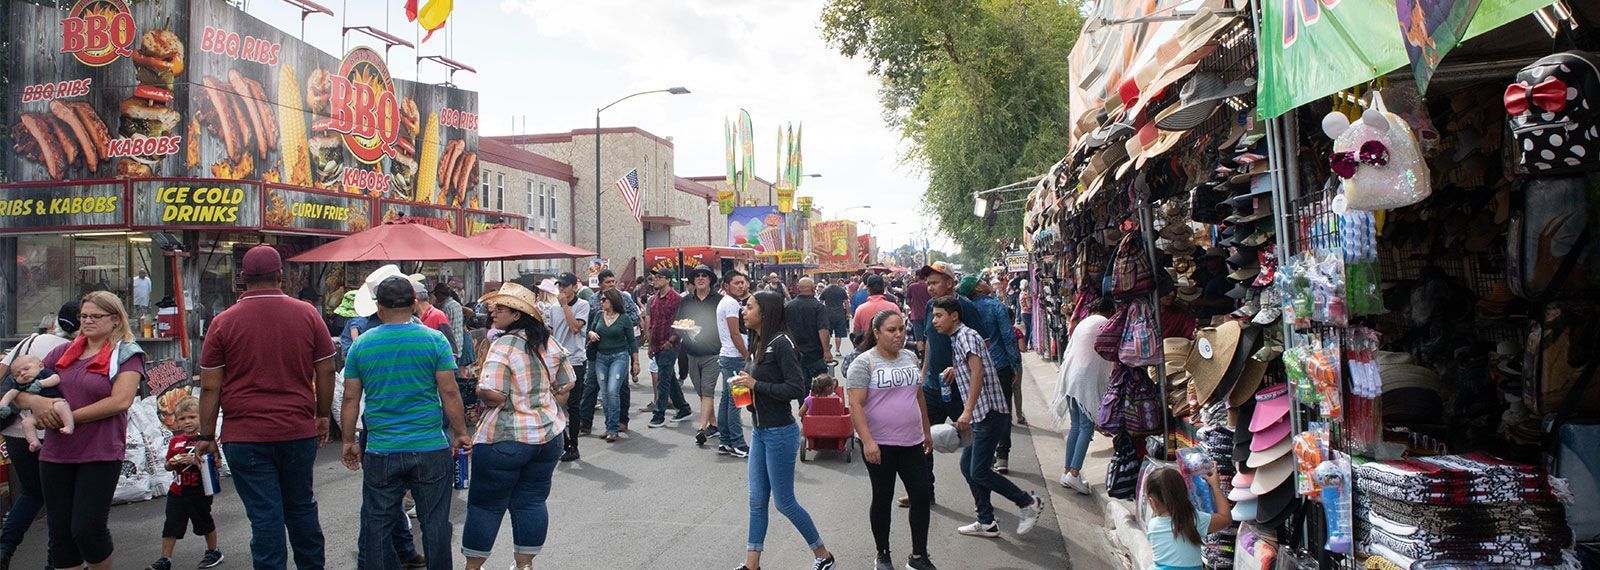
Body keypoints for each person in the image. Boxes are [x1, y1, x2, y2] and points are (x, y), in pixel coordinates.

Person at [192, 246, 336, 569]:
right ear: (281, 276)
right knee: (301, 507)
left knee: (265, 516)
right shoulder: (308, 314)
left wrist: (205, 434)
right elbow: (326, 370)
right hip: (297, 431)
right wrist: (322, 414)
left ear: (242, 279)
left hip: (244, 436)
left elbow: (210, 385)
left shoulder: (222, 323)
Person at [340, 276, 470, 570]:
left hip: (382, 448)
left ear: (378, 307)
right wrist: (461, 433)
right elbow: (449, 391)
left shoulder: (362, 345)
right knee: (435, 523)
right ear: (414, 304)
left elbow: (350, 399)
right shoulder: (433, 340)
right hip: (429, 447)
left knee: (377, 524)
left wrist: (348, 441)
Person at [20, 291, 145, 569]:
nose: (87, 321)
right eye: (84, 316)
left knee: (88, 529)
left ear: (115, 319)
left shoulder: (125, 354)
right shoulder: (61, 352)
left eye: (95, 316)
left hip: (99, 452)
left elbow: (120, 401)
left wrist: (68, 417)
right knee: (61, 536)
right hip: (57, 453)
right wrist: (37, 404)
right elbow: (19, 389)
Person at [463, 283, 575, 570]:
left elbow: (495, 394)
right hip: (548, 438)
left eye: (501, 308)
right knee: (531, 502)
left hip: (504, 439)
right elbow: (566, 383)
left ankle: (473, 567)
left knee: (485, 505)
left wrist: (479, 389)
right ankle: (525, 565)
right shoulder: (549, 342)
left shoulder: (503, 345)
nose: (493, 311)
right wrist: (546, 409)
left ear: (517, 315)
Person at [727, 291, 835, 570]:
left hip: (779, 433)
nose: (744, 312)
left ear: (765, 312)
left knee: (784, 503)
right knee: (756, 501)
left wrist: (756, 386)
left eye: (749, 307)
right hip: (760, 431)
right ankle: (752, 565)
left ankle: (823, 555)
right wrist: (744, 390)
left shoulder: (782, 343)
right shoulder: (758, 342)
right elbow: (758, 383)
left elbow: (796, 389)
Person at [931, 295, 1046, 539]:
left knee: (980, 471)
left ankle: (1028, 502)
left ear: (954, 316)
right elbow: (974, 365)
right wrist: (955, 368)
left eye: (939, 315)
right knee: (968, 466)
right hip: (982, 414)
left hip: (988, 412)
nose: (934, 321)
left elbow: (978, 371)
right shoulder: (959, 338)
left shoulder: (966, 335)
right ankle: (986, 521)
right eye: (933, 316)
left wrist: (967, 411)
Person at [847, 311, 935, 570]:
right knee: (882, 498)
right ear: (876, 333)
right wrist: (868, 441)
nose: (899, 335)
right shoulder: (864, 363)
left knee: (920, 496)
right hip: (880, 445)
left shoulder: (909, 356)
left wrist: (926, 431)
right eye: (892, 330)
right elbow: (855, 404)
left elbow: (918, 397)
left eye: (902, 329)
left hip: (912, 442)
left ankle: (919, 556)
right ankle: (883, 554)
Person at [0, 302, 77, 568]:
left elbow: (2, 377)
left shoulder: (28, 341)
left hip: (16, 428)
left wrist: (19, 398)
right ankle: (54, 561)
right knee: (60, 498)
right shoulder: (69, 349)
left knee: (32, 492)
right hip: (50, 429)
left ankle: (4, 548)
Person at [904, 262, 984, 507]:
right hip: (932, 388)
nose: (930, 288)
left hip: (961, 390)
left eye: (935, 282)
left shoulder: (965, 307)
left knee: (972, 445)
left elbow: (982, 346)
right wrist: (924, 372)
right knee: (922, 439)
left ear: (950, 282)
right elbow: (929, 342)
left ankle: (982, 504)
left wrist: (958, 367)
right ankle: (924, 492)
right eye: (928, 283)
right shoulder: (930, 307)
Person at [1050, 297, 1115, 494]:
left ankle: (1067, 471)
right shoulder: (1104, 323)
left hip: (1070, 377)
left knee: (1076, 425)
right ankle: (1074, 473)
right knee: (1086, 426)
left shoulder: (1083, 322)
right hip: (1085, 379)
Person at [151, 397, 225, 570]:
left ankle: (213, 551)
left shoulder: (206, 440)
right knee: (171, 524)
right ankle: (165, 559)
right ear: (176, 421)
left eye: (192, 417)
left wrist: (195, 460)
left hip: (200, 490)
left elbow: (218, 463)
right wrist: (172, 464)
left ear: (201, 417)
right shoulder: (175, 441)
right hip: (177, 491)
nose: (187, 422)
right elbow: (168, 464)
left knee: (204, 522)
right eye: (182, 418)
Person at [963, 276, 1023, 473]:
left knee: (981, 413)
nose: (985, 281)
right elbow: (1008, 336)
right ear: (978, 288)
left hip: (975, 367)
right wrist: (1015, 364)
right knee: (1003, 412)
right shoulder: (996, 306)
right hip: (999, 365)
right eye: (981, 280)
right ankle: (1002, 456)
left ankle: (985, 455)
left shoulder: (966, 309)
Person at [577, 270, 639, 435]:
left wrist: (616, 323)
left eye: (613, 281)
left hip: (620, 350)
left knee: (619, 388)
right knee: (591, 386)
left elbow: (635, 318)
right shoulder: (592, 301)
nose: (612, 284)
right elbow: (589, 325)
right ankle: (585, 422)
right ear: (600, 284)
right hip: (597, 351)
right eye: (608, 282)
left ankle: (621, 421)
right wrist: (591, 336)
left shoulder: (623, 298)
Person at [675, 265, 725, 447]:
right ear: (693, 280)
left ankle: (701, 429)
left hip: (713, 352)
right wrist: (683, 331)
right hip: (691, 351)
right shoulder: (686, 300)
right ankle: (714, 424)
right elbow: (680, 323)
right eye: (697, 276)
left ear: (710, 279)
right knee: (701, 392)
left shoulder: (720, 300)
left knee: (708, 389)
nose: (701, 278)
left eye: (705, 275)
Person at [1145, 467, 1230, 570]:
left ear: (1152, 502)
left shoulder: (1153, 525)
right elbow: (1226, 519)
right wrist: (1216, 487)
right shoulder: (1194, 519)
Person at [547, 274, 590, 463]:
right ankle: (563, 442)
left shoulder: (582, 305)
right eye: (560, 286)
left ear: (574, 287)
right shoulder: (553, 308)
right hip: (557, 360)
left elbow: (575, 328)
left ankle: (574, 445)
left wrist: (565, 306)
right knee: (554, 404)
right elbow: (551, 332)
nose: (562, 290)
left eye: (565, 286)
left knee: (573, 405)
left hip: (575, 360)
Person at [644, 269, 693, 429]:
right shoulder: (654, 300)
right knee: (669, 377)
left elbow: (682, 322)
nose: (655, 281)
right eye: (654, 278)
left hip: (670, 344)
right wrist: (650, 344)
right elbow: (652, 324)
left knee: (663, 380)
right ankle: (684, 408)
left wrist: (671, 340)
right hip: (657, 343)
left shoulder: (677, 299)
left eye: (658, 278)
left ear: (667, 280)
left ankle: (659, 414)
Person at [714, 271, 753, 457]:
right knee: (737, 401)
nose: (741, 286)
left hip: (728, 356)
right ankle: (737, 443)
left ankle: (725, 441)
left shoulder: (727, 301)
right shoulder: (730, 303)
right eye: (736, 283)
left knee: (727, 400)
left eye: (742, 283)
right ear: (726, 285)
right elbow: (735, 333)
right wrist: (746, 355)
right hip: (734, 357)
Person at [1, 355, 75, 450]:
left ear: (40, 366)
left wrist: (40, 384)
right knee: (26, 422)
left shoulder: (43, 373)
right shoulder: (21, 384)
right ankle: (34, 442)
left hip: (55, 401)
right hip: (37, 413)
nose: (22, 374)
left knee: (62, 406)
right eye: (17, 374)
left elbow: (56, 378)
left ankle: (69, 426)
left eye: (26, 369)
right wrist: (3, 406)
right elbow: (11, 394)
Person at [784, 277, 834, 381]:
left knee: (802, 387)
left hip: (795, 354)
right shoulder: (818, 307)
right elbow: (823, 330)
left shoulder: (788, 307)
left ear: (798, 289)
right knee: (820, 388)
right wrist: (826, 351)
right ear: (813, 288)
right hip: (815, 354)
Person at [851, 275, 900, 342]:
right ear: (883, 288)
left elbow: (856, 332)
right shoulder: (893, 307)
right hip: (889, 347)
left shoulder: (860, 309)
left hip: (867, 348)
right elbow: (900, 330)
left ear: (868, 290)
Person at [433, 283, 466, 360]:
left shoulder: (445, 307)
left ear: (440, 294)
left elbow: (444, 328)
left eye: (436, 294)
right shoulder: (457, 305)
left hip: (449, 345)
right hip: (458, 343)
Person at [819, 278, 851, 355]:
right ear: (836, 281)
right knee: (838, 333)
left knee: (828, 333)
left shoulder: (825, 290)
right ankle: (837, 350)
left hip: (828, 314)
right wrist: (847, 313)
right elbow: (846, 302)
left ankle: (827, 349)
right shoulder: (841, 290)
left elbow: (821, 302)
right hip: (839, 313)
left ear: (829, 281)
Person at [904, 274, 930, 355]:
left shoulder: (912, 286)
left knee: (919, 339)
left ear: (918, 276)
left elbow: (908, 300)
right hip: (929, 316)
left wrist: (913, 307)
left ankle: (921, 356)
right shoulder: (928, 286)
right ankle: (926, 356)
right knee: (927, 338)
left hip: (916, 315)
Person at [1017, 279, 1033, 350]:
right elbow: (1029, 305)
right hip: (1027, 313)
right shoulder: (1026, 294)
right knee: (1031, 329)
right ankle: (1030, 344)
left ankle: (1026, 344)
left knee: (1028, 329)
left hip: (1023, 313)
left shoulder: (1021, 293)